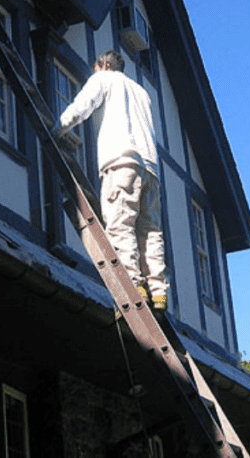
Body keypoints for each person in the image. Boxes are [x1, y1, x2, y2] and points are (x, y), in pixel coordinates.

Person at [54, 50, 169, 311]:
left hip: (121, 160)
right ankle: (159, 293)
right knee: (150, 232)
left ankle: (133, 285)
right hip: (150, 168)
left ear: (103, 64)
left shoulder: (103, 79)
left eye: (95, 68)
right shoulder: (141, 92)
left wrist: (57, 128)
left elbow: (81, 107)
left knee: (121, 223)